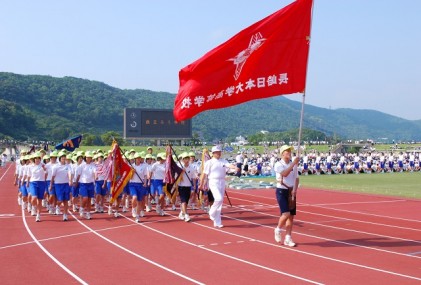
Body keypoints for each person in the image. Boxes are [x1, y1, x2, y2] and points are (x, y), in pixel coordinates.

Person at [199, 145, 236, 228]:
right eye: (217, 152)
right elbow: (204, 174)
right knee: (218, 198)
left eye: (220, 152)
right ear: (213, 153)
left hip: (222, 181)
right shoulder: (209, 162)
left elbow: (229, 165)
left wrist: (235, 167)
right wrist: (201, 184)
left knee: (220, 202)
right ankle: (211, 212)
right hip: (213, 181)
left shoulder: (223, 161)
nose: (219, 153)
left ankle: (217, 222)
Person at [274, 145, 299, 247]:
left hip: (291, 191)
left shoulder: (294, 165)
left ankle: (288, 238)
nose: (289, 152)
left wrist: (295, 190)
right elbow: (285, 174)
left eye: (290, 151)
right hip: (281, 190)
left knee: (291, 217)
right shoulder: (278, 164)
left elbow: (296, 178)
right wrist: (293, 163)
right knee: (285, 213)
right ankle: (278, 229)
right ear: (282, 153)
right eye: (287, 151)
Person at [176, 152, 197, 222]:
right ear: (182, 159)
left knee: (186, 201)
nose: (186, 160)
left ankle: (182, 212)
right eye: (185, 159)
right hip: (181, 186)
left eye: (187, 158)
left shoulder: (191, 167)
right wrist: (181, 172)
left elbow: (193, 177)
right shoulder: (179, 166)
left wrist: (194, 185)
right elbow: (175, 176)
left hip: (188, 186)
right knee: (183, 201)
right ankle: (186, 215)